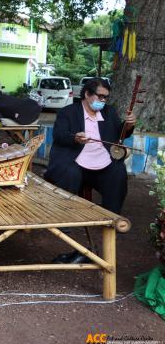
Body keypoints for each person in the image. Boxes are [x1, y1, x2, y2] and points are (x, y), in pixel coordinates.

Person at [45, 78, 135, 264]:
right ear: (87, 94)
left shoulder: (109, 112)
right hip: (74, 159)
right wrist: (75, 138)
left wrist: (128, 125)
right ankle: (64, 219)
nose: (103, 101)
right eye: (100, 96)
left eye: (105, 98)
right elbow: (59, 135)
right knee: (70, 172)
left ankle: (111, 217)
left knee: (117, 172)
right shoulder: (68, 112)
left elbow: (120, 135)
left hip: (101, 160)